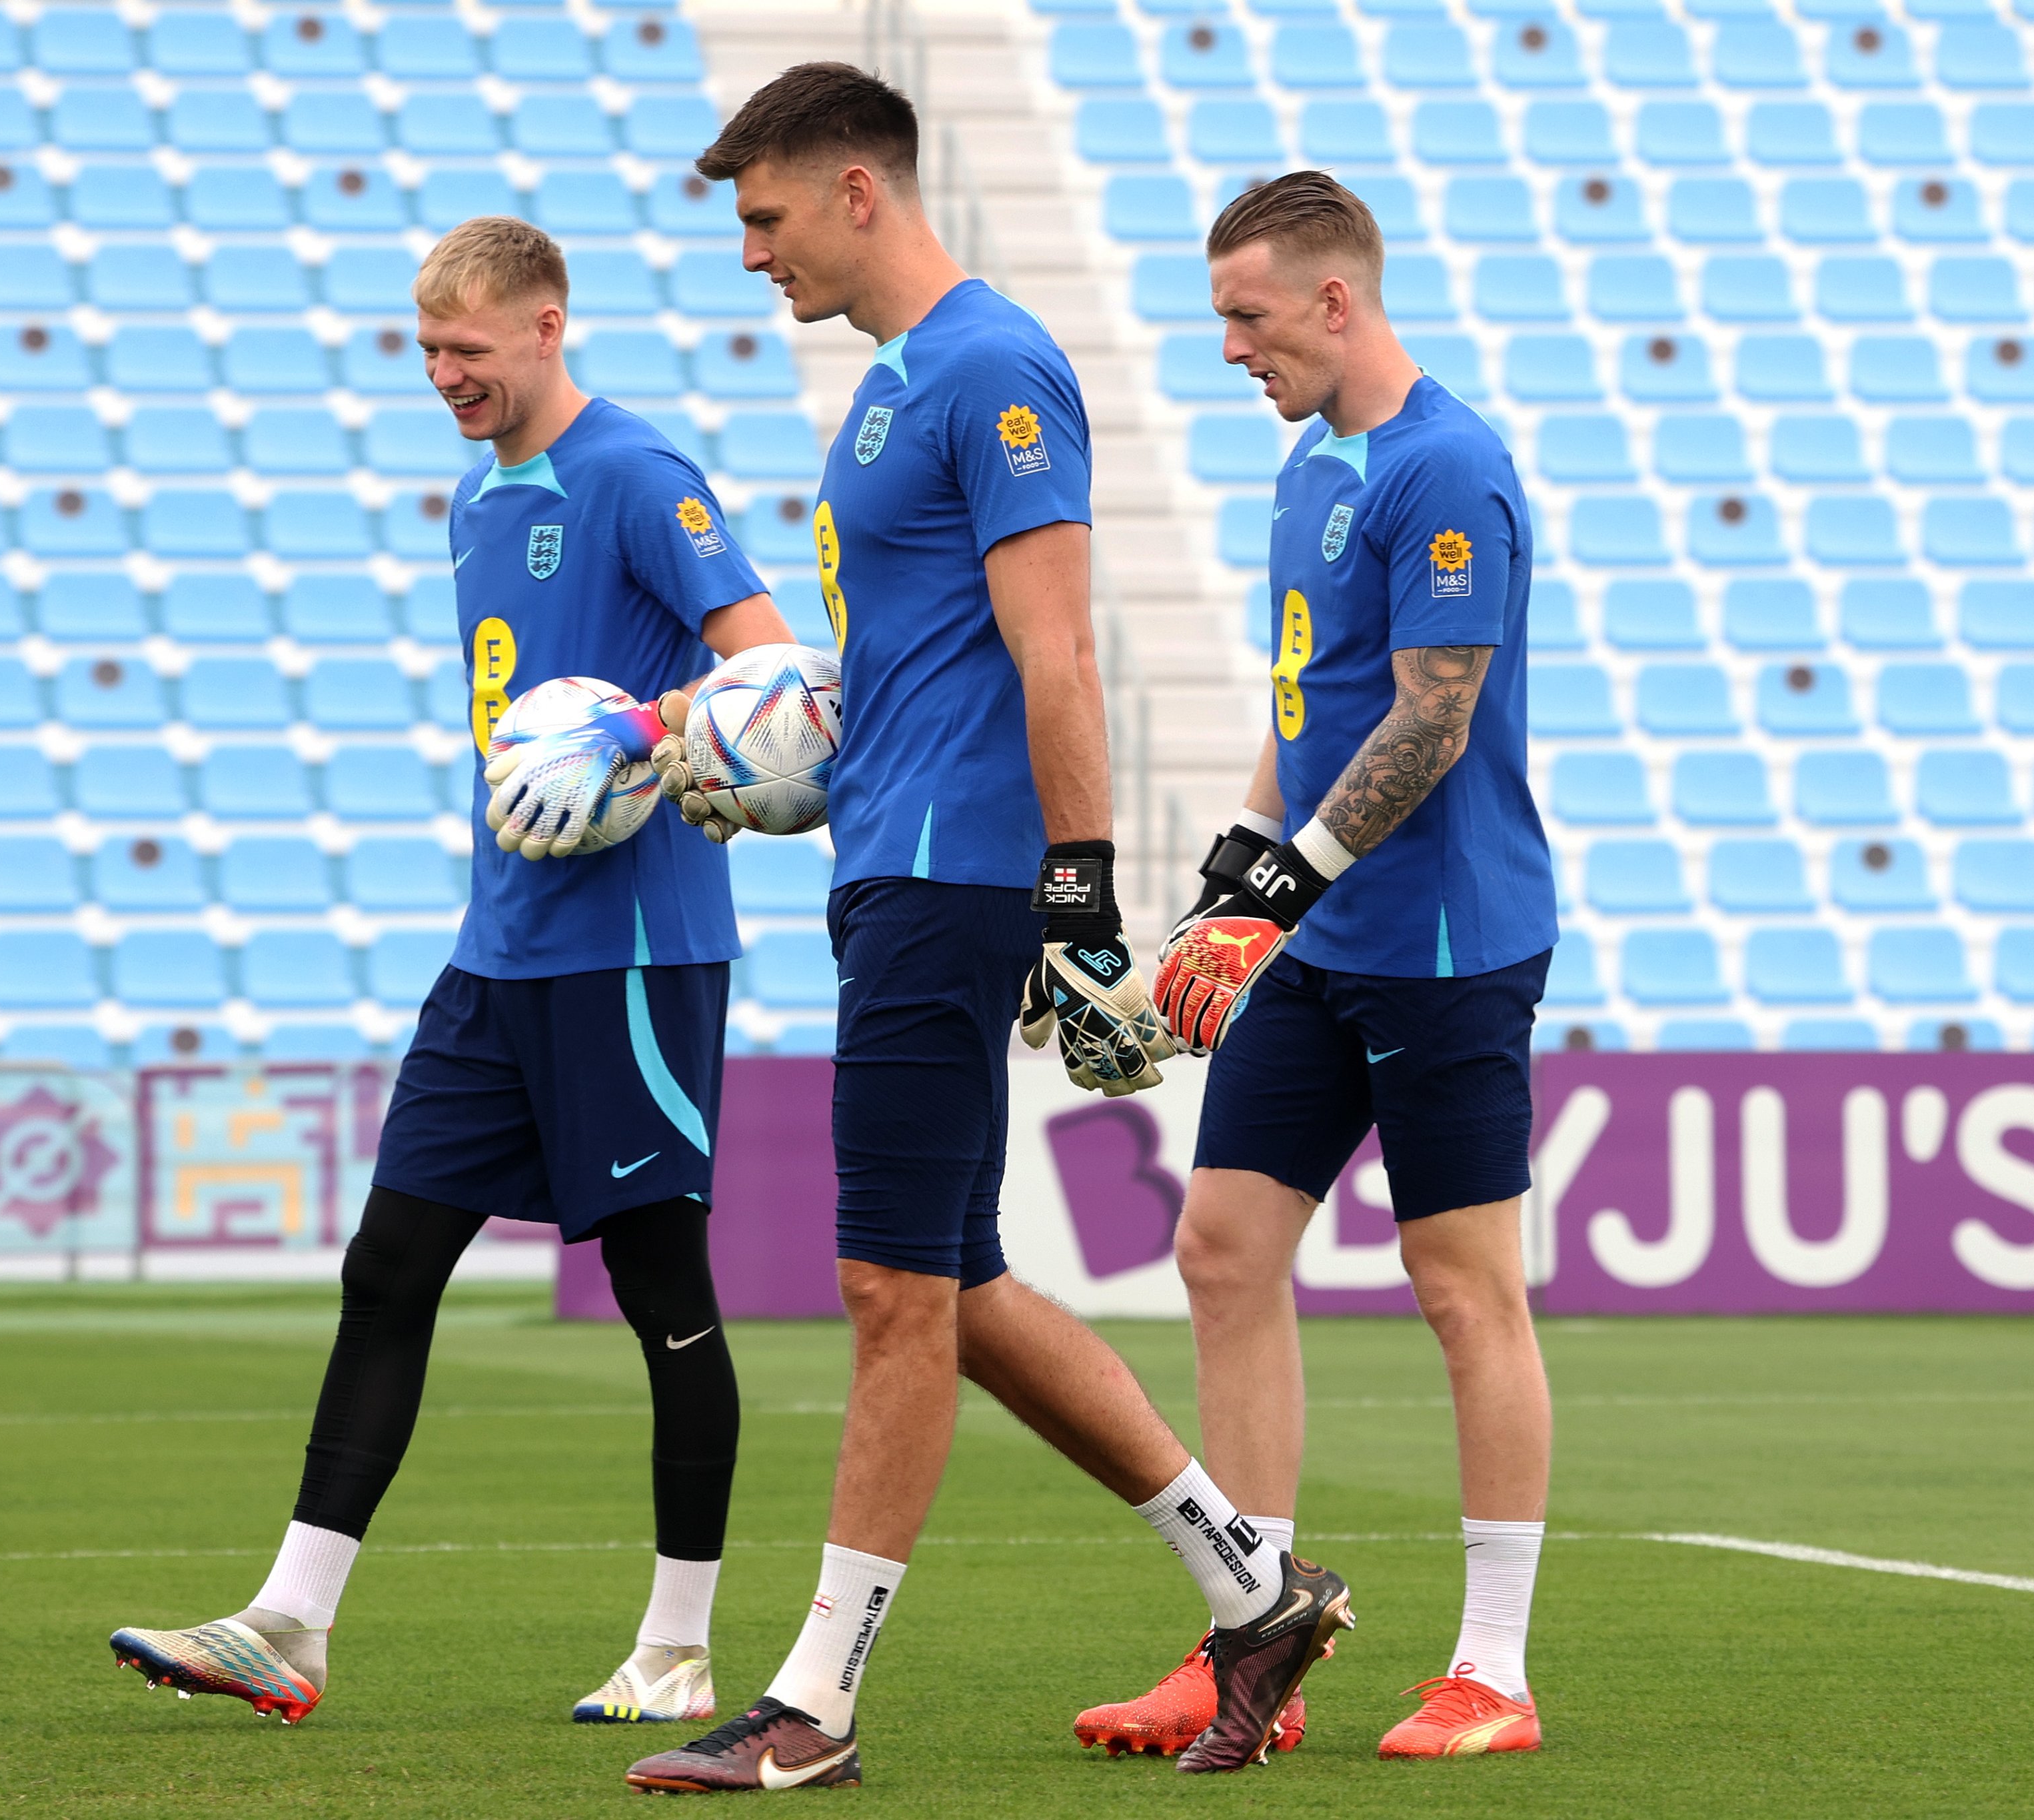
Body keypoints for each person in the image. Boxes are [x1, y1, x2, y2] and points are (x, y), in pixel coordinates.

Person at [622, 67, 1348, 1795]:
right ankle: (1254, 1587)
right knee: (959, 1281)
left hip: (957, 880)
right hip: (893, 863)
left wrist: (1077, 889)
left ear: (858, 188)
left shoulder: (995, 368)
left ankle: (812, 1702)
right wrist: (773, 757)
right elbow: (924, 656)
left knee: (889, 1285)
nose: (752, 252)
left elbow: (1059, 648)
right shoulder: (890, 387)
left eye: (767, 216)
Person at [105, 216, 797, 1730]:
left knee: (657, 1285)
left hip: (632, 951)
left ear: (548, 327)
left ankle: (678, 1644)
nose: (444, 376)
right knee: (389, 1264)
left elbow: (770, 674)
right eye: (426, 353)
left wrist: (637, 730)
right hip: (498, 951)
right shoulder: (475, 499)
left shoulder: (637, 473)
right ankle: (289, 1623)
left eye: (467, 351)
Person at [1113, 170, 1562, 1762]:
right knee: (1221, 1247)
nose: (1228, 346)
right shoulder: (1311, 467)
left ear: (1332, 300)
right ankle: (1253, 1634)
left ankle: (1491, 1674)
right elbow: (1311, 698)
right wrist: (1225, 888)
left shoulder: (1449, 467)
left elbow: (1430, 715)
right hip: (1320, 930)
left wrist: (1282, 886)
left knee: (1461, 1291)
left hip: (1443, 947)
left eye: (1243, 315)